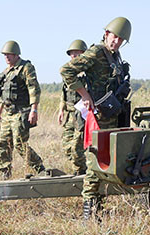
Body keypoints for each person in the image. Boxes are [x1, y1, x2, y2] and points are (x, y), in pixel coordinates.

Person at [60, 17, 132, 219]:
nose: (116, 41)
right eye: (114, 37)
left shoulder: (115, 55)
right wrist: (84, 95)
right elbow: (66, 71)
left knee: (106, 160)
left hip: (112, 115)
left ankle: (98, 206)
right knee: (94, 162)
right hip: (98, 118)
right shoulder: (96, 52)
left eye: (120, 39)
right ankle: (89, 212)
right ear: (106, 34)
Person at [0, 41, 45, 179]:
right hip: (7, 113)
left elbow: (34, 88)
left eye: (9, 54)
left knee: (19, 144)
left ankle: (39, 168)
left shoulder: (25, 68)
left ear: (16, 54)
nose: (6, 57)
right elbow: (3, 96)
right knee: (2, 143)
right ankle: (5, 172)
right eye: (5, 55)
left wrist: (34, 110)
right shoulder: (5, 73)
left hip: (21, 111)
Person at [59, 39, 88, 176]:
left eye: (77, 54)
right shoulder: (69, 73)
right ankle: (81, 169)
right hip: (70, 115)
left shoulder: (87, 74)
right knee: (67, 147)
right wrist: (61, 110)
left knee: (77, 148)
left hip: (81, 115)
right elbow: (64, 94)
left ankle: (81, 173)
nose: (74, 57)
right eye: (72, 54)